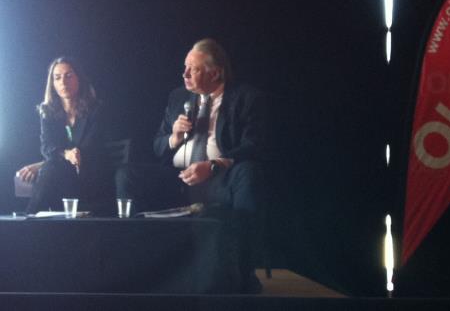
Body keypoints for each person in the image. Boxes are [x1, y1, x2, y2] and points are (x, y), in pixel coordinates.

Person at [116, 38, 266, 293]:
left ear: (214, 72)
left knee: (248, 173)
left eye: (192, 69)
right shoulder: (178, 98)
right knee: (127, 174)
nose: (184, 74)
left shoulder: (245, 98)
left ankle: (243, 269)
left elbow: (254, 145)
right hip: (177, 179)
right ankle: (131, 264)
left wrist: (213, 165)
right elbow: (157, 146)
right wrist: (173, 137)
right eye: (185, 67)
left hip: (219, 180)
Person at [20, 57, 111, 214]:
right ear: (53, 84)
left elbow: (90, 147)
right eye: (57, 77)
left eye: (69, 75)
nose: (63, 82)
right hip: (60, 175)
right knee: (50, 169)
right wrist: (65, 154)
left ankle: (29, 219)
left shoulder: (96, 109)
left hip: (90, 174)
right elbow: (47, 146)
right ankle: (32, 219)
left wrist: (42, 164)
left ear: (79, 79)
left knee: (49, 169)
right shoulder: (47, 111)